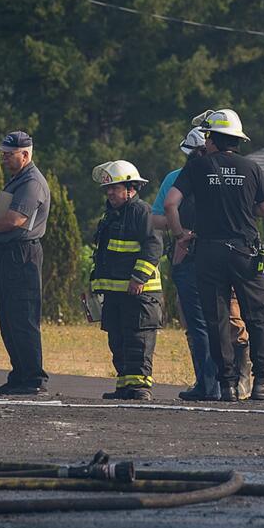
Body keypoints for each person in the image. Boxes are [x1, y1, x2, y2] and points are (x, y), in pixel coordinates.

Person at [164, 109, 264, 402]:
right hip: (244, 250)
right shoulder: (252, 167)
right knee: (257, 315)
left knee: (216, 317)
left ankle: (228, 385)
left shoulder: (196, 167)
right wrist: (243, 206)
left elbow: (171, 204)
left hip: (208, 251)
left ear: (213, 139)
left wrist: (181, 234)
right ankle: (263, 382)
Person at [0, 131, 51, 395]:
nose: (4, 159)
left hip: (22, 254)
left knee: (22, 316)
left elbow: (15, 219)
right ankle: (19, 376)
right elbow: (4, 218)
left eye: (9, 154)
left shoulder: (31, 183)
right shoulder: (17, 180)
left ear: (25, 154)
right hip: (9, 253)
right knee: (9, 317)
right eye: (4, 154)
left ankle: (33, 379)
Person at [152, 128, 220, 401]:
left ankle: (218, 383)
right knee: (199, 323)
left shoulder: (213, 177)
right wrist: (181, 228)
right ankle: (208, 380)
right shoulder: (174, 179)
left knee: (212, 322)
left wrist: (182, 234)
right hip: (204, 256)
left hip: (198, 255)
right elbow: (156, 218)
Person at [89, 160, 165, 400]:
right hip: (116, 293)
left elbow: (154, 245)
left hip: (140, 292)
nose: (110, 193)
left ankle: (141, 387)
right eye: (108, 189)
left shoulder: (141, 211)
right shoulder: (111, 216)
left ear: (131, 188)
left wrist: (138, 277)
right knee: (118, 340)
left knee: (138, 340)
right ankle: (124, 386)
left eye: (115, 187)